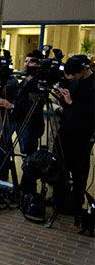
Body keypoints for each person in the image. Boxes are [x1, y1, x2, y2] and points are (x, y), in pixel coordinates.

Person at [56, 55, 94, 230]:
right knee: (61, 168)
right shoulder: (76, 82)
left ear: (82, 71)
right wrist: (63, 100)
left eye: (74, 76)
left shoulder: (92, 85)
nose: (72, 80)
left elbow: (89, 114)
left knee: (79, 175)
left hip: (82, 137)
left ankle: (77, 210)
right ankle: (61, 202)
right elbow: (70, 106)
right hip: (66, 132)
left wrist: (71, 103)